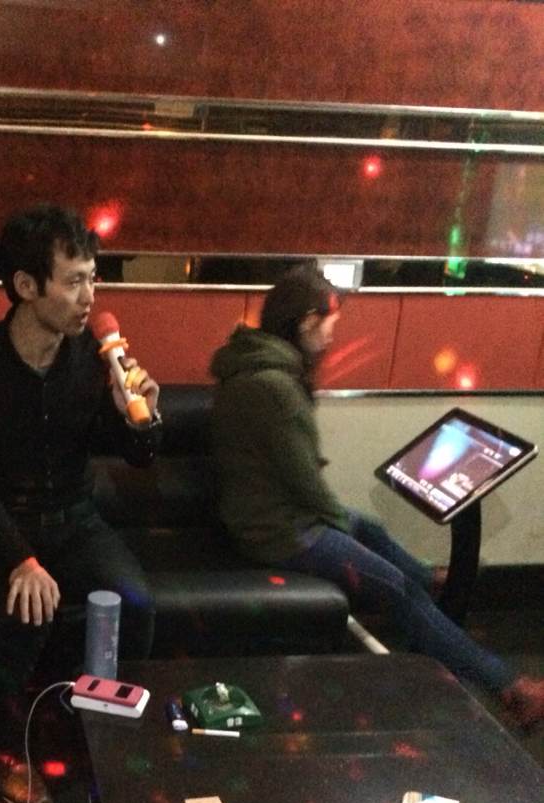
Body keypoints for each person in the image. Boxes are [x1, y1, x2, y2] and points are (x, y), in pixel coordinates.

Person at [209, 263, 544, 729]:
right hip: (279, 531)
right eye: (330, 325)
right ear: (306, 322)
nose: (332, 338)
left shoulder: (256, 366)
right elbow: (306, 484)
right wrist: (343, 533)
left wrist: (347, 529)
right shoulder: (274, 386)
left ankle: (430, 586)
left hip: (270, 515)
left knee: (371, 528)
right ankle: (509, 686)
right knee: (397, 587)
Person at [0, 204, 162, 803]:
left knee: (137, 603)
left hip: (75, 518)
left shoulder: (91, 360)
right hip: (3, 528)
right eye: (74, 281)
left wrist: (140, 419)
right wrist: (21, 558)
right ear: (26, 285)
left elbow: (136, 457)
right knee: (28, 613)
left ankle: (95, 727)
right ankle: (0, 748)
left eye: (93, 279)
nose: (89, 297)